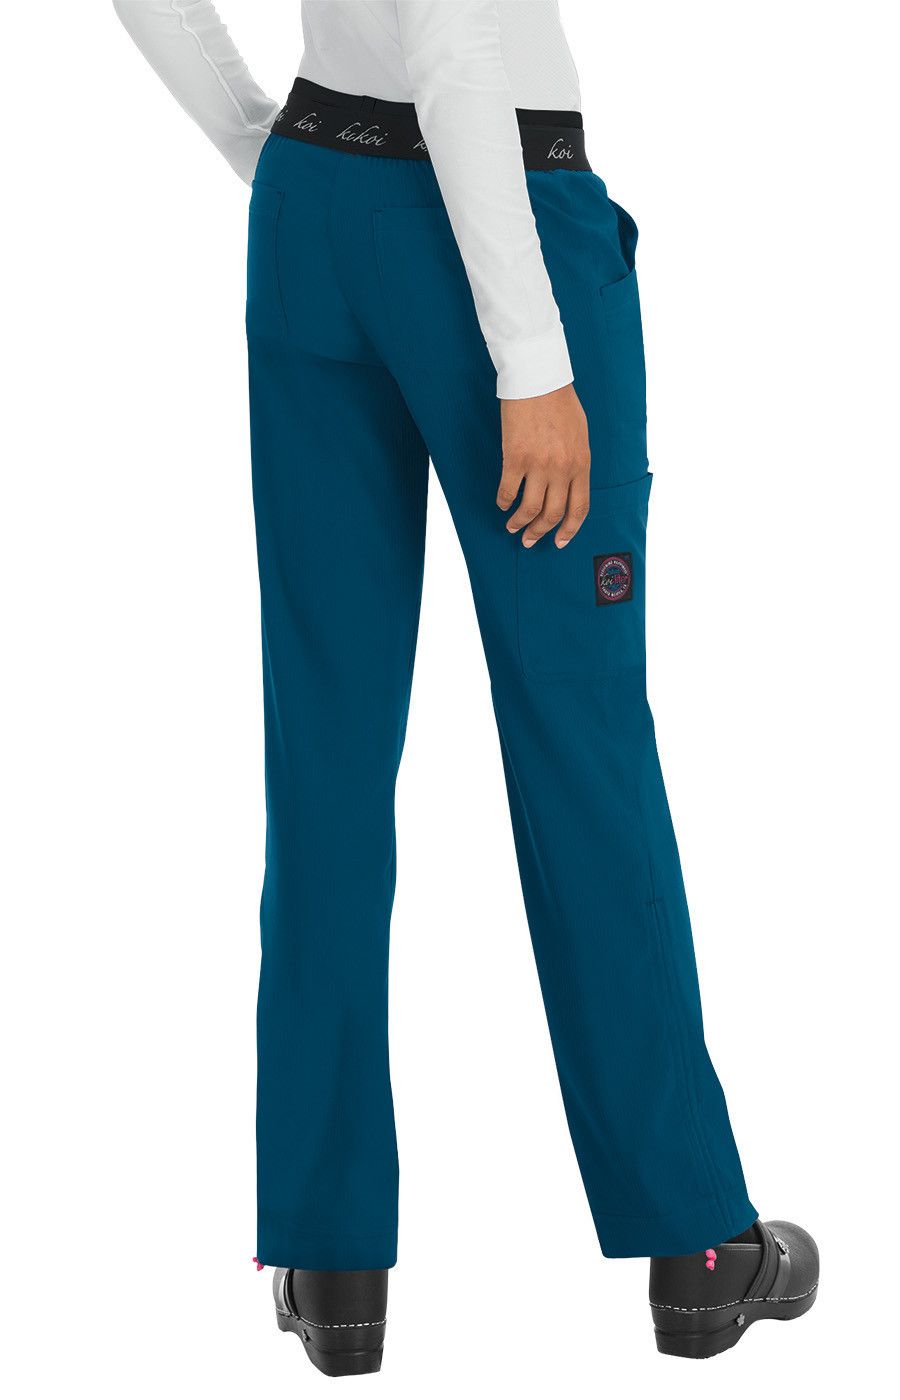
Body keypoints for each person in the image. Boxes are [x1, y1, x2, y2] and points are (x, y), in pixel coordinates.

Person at [112, 0, 818, 1371]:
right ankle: (696, 1244)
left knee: (323, 753)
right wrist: (534, 359)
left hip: (316, 204)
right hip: (495, 230)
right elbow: (449, 39)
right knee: (582, 742)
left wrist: (262, 141)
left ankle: (328, 1258)